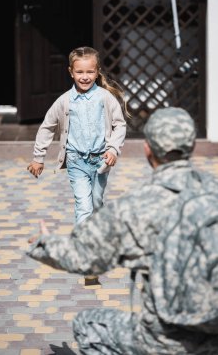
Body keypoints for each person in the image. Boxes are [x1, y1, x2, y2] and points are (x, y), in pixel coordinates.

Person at [27, 107, 218, 354]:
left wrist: (45, 243)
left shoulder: (134, 207)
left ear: (148, 149)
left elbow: (84, 259)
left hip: (162, 341)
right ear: (190, 147)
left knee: (88, 324)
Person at [27, 46, 126, 285]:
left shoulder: (105, 98)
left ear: (97, 72)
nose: (85, 76)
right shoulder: (64, 101)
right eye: (80, 71)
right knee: (84, 207)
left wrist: (113, 149)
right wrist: (38, 157)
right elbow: (47, 127)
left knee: (97, 204)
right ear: (70, 72)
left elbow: (119, 124)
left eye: (90, 72)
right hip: (76, 161)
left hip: (101, 162)